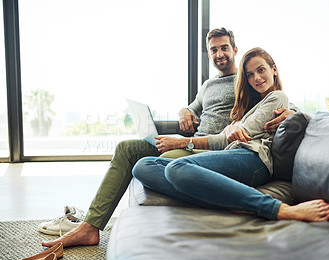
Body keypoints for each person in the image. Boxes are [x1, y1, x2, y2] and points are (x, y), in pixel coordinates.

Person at [41, 28, 295, 248]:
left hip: (213, 150)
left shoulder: (245, 81)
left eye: (224, 48)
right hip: (199, 143)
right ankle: (90, 226)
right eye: (214, 49)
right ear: (209, 53)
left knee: (173, 164)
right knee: (127, 150)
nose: (220, 54)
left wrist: (293, 112)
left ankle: (226, 196)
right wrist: (185, 111)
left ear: (235, 49)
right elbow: (192, 107)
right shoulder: (209, 85)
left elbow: (275, 99)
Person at [133, 47, 329, 222]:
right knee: (142, 167)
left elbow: (301, 118)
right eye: (249, 74)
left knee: (177, 168)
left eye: (261, 70)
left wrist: (181, 143)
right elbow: (225, 137)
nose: (256, 78)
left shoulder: (277, 97)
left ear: (274, 69)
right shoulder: (251, 106)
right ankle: (229, 201)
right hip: (233, 155)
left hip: (253, 159)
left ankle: (276, 209)